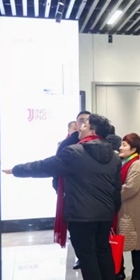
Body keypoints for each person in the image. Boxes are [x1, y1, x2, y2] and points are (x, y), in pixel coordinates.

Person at [3, 114, 121, 280]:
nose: (80, 128)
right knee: (103, 252)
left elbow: (44, 167)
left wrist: (16, 170)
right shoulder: (114, 157)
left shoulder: (74, 152)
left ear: (92, 131)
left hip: (81, 214)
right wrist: (112, 210)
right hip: (105, 214)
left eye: (84, 125)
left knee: (88, 256)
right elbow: (116, 189)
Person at [54, 111, 90, 270]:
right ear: (76, 123)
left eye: (87, 120)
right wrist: (58, 188)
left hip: (92, 195)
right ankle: (81, 256)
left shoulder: (99, 142)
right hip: (71, 194)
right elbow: (56, 168)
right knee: (75, 229)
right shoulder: (67, 144)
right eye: (81, 120)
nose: (84, 123)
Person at [116, 133, 140, 280]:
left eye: (124, 145)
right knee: (121, 241)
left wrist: (113, 194)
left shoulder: (136, 165)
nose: (120, 147)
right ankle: (119, 272)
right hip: (124, 209)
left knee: (135, 244)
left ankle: (137, 274)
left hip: (132, 211)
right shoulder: (126, 162)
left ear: (134, 149)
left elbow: (130, 188)